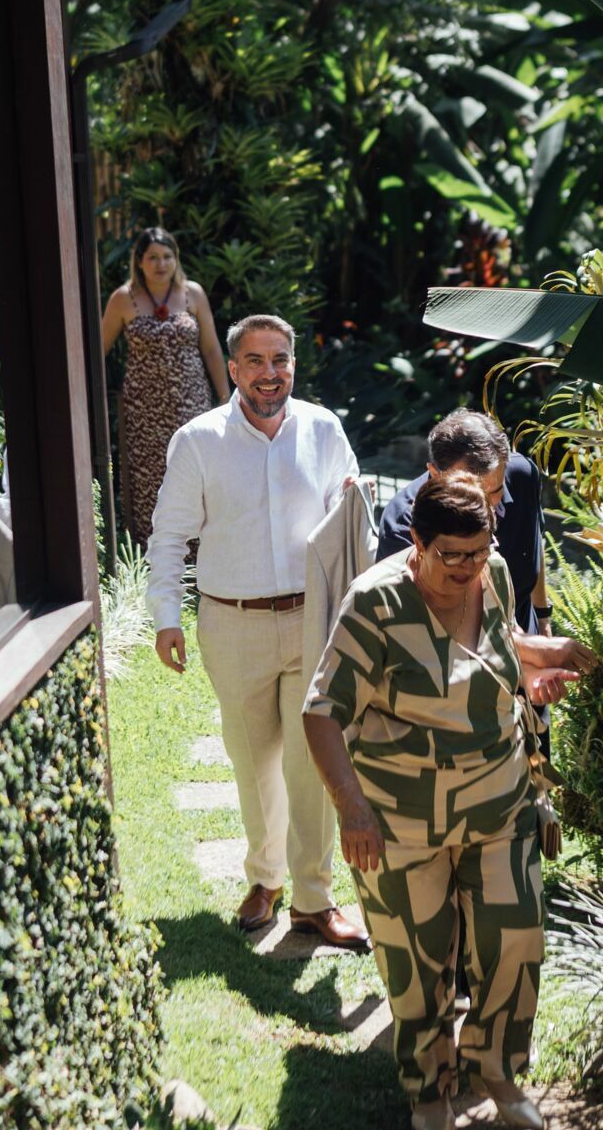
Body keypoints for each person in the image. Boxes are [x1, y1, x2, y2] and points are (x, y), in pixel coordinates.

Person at [303, 475, 597, 1130]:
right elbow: (321, 712)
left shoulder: (490, 569)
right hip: (401, 824)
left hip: (498, 805)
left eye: (478, 551)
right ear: (416, 541)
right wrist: (350, 808)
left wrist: (543, 657)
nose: (467, 569)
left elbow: (496, 649)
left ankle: (494, 1070)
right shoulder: (372, 602)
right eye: (450, 557)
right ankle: (429, 1090)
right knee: (418, 965)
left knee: (513, 942)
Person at [146, 312, 368, 948]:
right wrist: (167, 616)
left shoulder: (323, 429)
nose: (270, 374)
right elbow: (168, 537)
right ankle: (264, 879)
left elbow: (349, 519)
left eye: (281, 360)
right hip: (232, 620)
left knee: (312, 763)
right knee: (253, 761)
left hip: (312, 620)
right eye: (256, 361)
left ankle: (314, 901)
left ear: (293, 364)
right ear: (235, 369)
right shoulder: (198, 441)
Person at [102, 226, 229, 546]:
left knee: (196, 472)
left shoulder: (193, 294)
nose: (161, 264)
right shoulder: (123, 299)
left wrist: (226, 397)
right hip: (144, 410)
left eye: (167, 256)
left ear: (176, 259)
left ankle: (202, 552)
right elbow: (96, 350)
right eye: (153, 257)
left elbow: (212, 348)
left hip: (191, 402)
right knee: (150, 478)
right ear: (139, 262)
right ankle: (156, 550)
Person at [378, 410, 550, 637]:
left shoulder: (523, 476)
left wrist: (544, 620)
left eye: (495, 493)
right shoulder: (403, 525)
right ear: (435, 474)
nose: (484, 510)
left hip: (524, 635)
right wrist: (533, 650)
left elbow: (534, 545)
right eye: (471, 494)